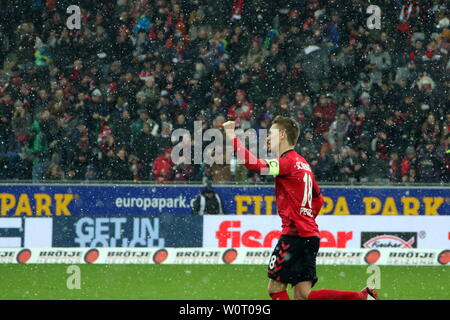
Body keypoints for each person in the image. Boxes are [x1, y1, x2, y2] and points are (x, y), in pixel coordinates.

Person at [222, 116, 378, 300]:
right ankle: (362, 297)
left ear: (281, 135)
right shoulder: (303, 164)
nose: (267, 138)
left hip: (294, 236)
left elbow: (254, 165)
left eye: (271, 134)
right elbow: (318, 200)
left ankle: (360, 298)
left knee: (275, 288)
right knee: (302, 295)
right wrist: (305, 218)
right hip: (310, 236)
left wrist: (231, 135)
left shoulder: (286, 163)